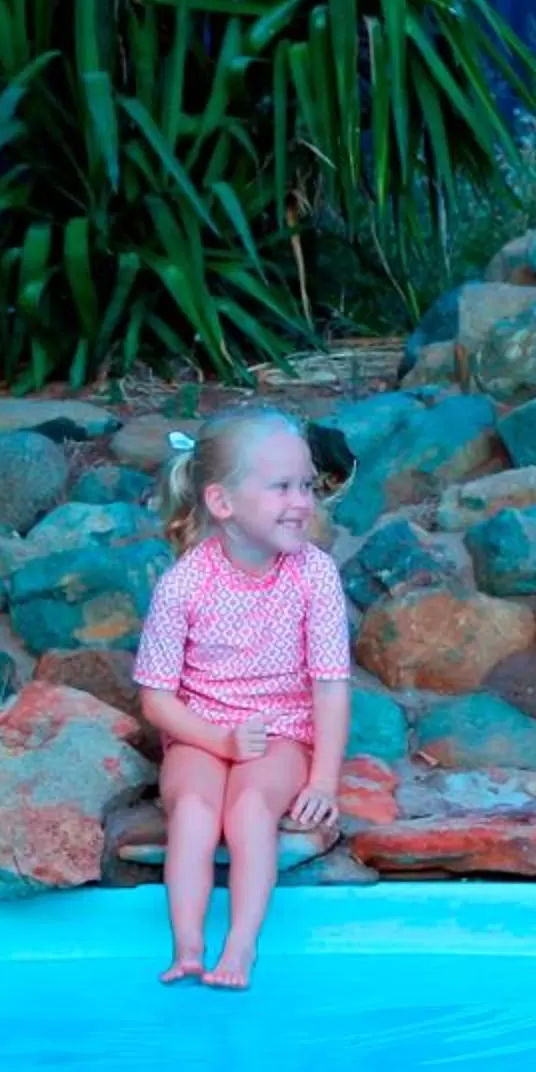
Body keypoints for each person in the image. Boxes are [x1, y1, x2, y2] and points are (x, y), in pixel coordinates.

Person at [133, 409, 351, 990]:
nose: (301, 501)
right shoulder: (184, 584)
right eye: (281, 487)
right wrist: (218, 739)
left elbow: (330, 683)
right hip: (200, 729)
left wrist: (323, 780)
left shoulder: (315, 575)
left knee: (251, 810)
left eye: (306, 485)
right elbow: (156, 697)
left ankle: (241, 946)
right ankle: (186, 946)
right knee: (195, 813)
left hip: (280, 730)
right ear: (223, 504)